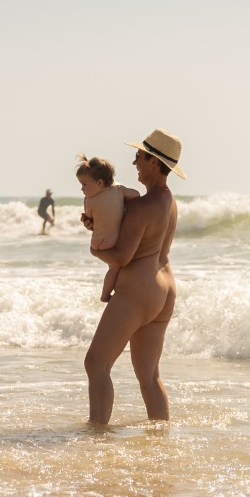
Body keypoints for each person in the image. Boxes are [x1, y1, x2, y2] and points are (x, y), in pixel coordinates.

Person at [84, 129, 184, 425]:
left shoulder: (142, 206)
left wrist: (94, 249)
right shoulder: (169, 201)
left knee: (96, 364)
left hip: (139, 290)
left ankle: (97, 435)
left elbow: (121, 257)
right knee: (149, 376)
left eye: (139, 156)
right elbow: (146, 242)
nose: (134, 162)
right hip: (164, 288)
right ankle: (160, 437)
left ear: (154, 162)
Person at [76, 155, 140, 303]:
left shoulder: (89, 201)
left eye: (84, 184)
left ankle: (108, 293)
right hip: (111, 243)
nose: (82, 189)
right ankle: (106, 295)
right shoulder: (118, 191)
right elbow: (136, 195)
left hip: (96, 243)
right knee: (114, 269)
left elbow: (89, 216)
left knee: (112, 268)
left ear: (99, 183)